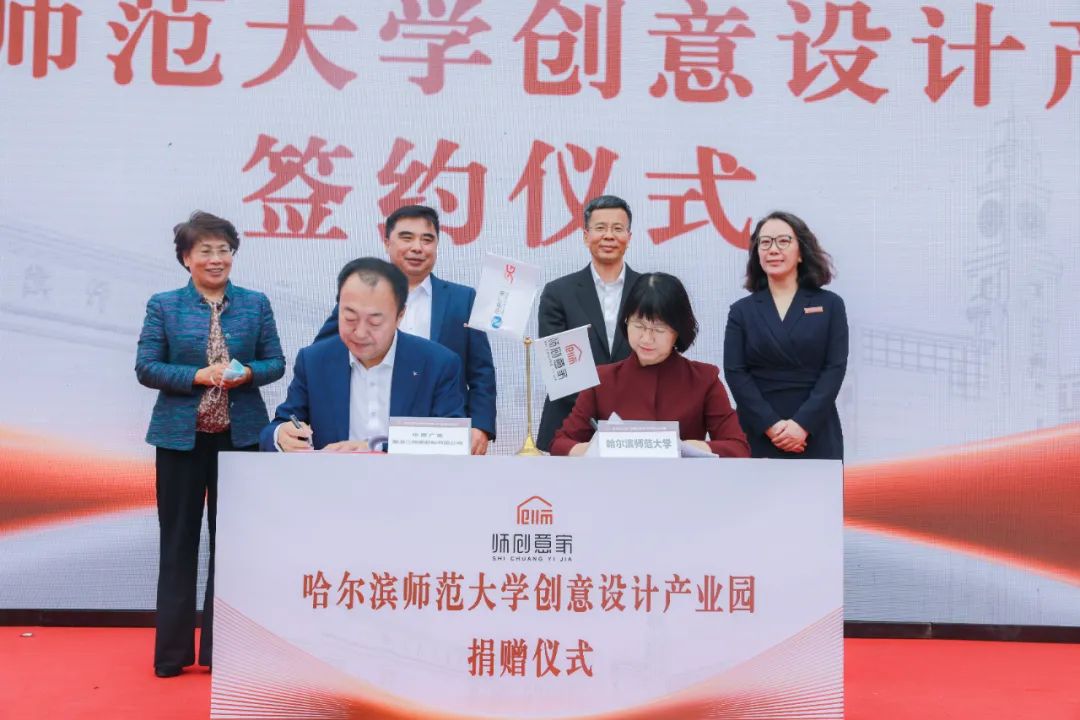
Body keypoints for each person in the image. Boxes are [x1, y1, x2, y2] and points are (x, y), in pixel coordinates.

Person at [135, 211, 285, 678]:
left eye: (224, 250)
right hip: (180, 442)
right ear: (187, 258)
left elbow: (277, 362)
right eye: (206, 250)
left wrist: (249, 373)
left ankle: (224, 652)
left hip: (239, 441)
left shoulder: (255, 304)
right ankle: (172, 653)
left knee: (232, 547)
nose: (217, 259)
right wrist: (197, 375)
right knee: (178, 543)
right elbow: (146, 367)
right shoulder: (164, 305)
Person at [314, 206, 495, 454]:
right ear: (387, 242)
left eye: (427, 239)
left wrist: (481, 426)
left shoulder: (462, 299)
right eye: (406, 238)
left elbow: (481, 371)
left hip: (437, 433)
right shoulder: (361, 299)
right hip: (370, 426)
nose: (417, 248)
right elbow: (322, 360)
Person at [263, 257, 465, 452]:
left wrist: (376, 448)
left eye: (374, 322)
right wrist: (281, 435)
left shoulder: (437, 363)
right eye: (350, 318)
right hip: (333, 474)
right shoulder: (314, 360)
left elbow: (452, 440)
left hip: (409, 474)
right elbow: (280, 425)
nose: (360, 333)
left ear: (400, 315)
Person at [550, 273, 750, 458]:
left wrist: (688, 447)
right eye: (638, 325)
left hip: (682, 482)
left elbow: (738, 447)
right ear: (626, 322)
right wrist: (600, 447)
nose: (646, 338)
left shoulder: (704, 379)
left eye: (659, 329)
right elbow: (560, 444)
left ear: (678, 330)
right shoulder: (602, 380)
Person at [723, 210, 848, 460]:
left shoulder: (831, 305)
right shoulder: (741, 311)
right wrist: (771, 425)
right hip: (758, 430)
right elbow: (735, 372)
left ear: (801, 252)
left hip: (815, 428)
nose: (773, 249)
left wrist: (802, 425)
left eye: (783, 241)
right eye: (765, 242)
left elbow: (834, 369)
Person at [536, 195, 641, 452]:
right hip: (570, 424)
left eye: (618, 229)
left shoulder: (647, 289)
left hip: (636, 422)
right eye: (600, 228)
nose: (609, 236)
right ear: (586, 236)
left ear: (629, 237)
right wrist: (603, 415)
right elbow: (559, 368)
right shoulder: (558, 292)